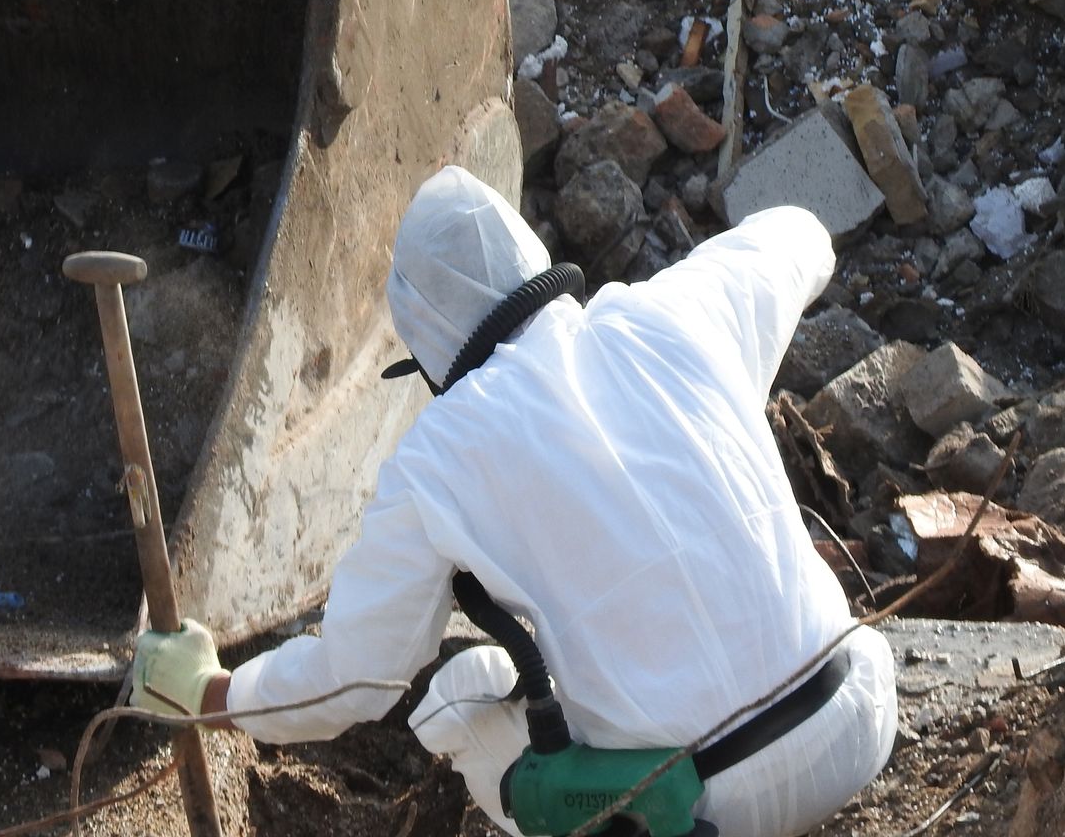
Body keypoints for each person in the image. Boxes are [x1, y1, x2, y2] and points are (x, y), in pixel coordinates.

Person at [128, 165, 897, 836]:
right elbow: (798, 234)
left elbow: (359, 678)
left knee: (458, 698)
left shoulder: (439, 451)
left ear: (426, 342)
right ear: (531, 259)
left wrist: (211, 690)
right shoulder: (673, 313)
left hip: (698, 808)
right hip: (857, 712)